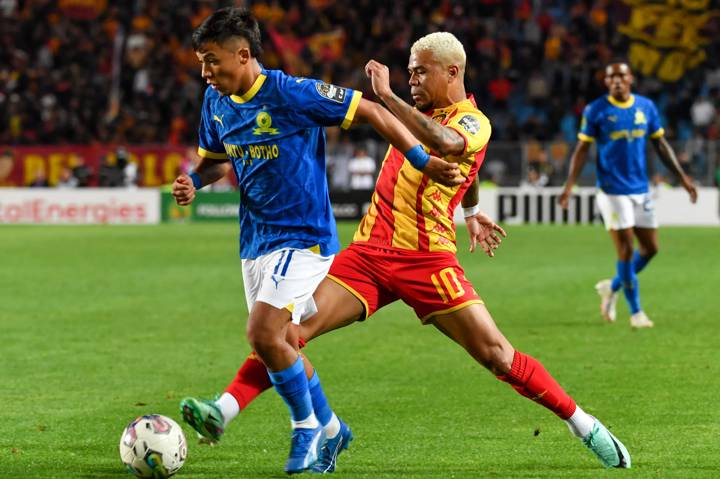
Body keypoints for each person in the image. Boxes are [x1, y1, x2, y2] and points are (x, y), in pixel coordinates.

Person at [182, 32, 631, 472]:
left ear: (452, 72)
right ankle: (252, 415)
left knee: (497, 354)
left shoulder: (472, 121)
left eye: (420, 72)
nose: (412, 80)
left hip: (427, 260)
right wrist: (472, 209)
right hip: (368, 255)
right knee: (285, 334)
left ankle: (583, 424)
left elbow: (450, 146)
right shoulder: (415, 118)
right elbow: (454, 162)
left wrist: (388, 95)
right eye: (409, 72)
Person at [171, 8, 462, 475]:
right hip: (256, 243)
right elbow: (216, 162)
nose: (205, 72)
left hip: (304, 238)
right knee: (279, 346)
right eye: (201, 62)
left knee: (262, 334)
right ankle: (331, 428)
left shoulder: (292, 93)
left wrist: (423, 160)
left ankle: (304, 426)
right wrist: (193, 181)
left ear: (243, 55)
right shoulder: (216, 102)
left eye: (211, 61)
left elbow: (368, 112)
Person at [559, 62, 697, 328]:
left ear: (631, 78)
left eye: (622, 75)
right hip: (612, 191)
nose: (617, 80)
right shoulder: (596, 110)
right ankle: (636, 313)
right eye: (611, 77)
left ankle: (611, 287)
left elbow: (660, 143)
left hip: (640, 188)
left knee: (651, 249)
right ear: (606, 82)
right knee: (626, 250)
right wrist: (569, 185)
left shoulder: (645, 107)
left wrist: (682, 177)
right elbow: (582, 150)